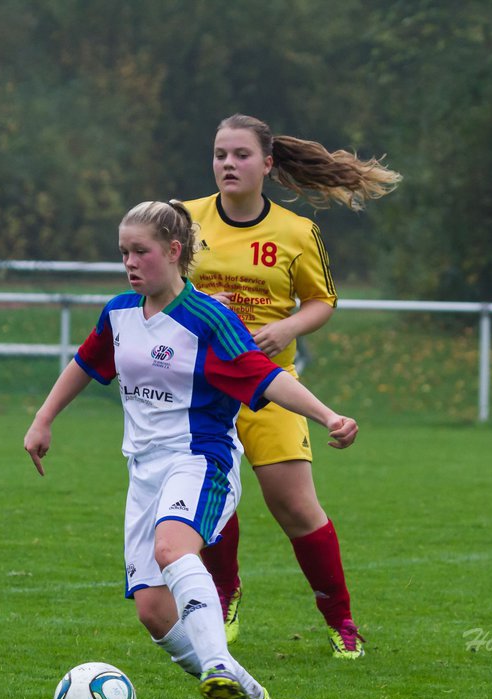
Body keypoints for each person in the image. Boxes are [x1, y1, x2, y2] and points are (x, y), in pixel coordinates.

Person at [23, 200, 358, 699]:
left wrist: (326, 414)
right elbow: (86, 363)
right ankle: (248, 695)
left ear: (174, 252)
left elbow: (265, 375)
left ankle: (218, 662)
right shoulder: (120, 313)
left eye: (141, 252)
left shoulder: (209, 318)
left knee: (173, 545)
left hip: (201, 460)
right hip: (143, 471)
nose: (130, 263)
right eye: (123, 253)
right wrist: (43, 420)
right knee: (154, 611)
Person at [183, 114, 400, 657]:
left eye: (240, 155)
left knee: (296, 507)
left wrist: (284, 327)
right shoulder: (182, 221)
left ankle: (341, 619)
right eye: (219, 154)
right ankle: (223, 592)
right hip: (202, 390)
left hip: (270, 388)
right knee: (212, 503)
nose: (227, 164)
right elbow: (153, 285)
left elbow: (323, 302)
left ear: (268, 163)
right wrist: (206, 311)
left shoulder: (297, 233)